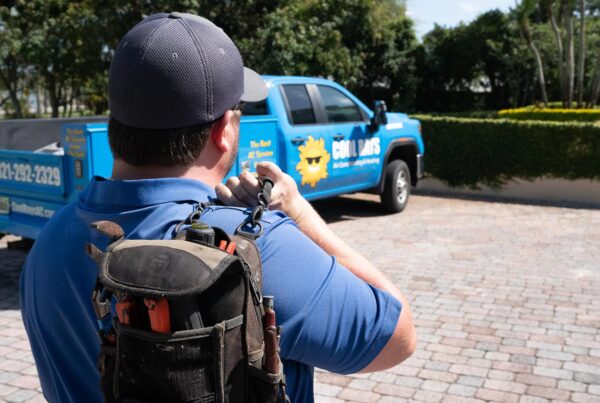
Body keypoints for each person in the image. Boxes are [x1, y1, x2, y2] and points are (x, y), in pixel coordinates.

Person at [20, 12, 416, 403]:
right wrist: (299, 213)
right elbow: (398, 335)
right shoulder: (250, 249)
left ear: (116, 122)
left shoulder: (52, 241)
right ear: (224, 130)